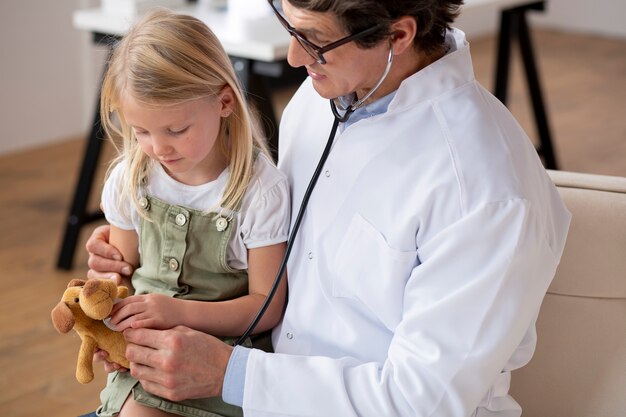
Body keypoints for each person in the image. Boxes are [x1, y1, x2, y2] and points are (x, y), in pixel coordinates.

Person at [86, 0, 572, 416]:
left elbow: (422, 401)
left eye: (314, 39)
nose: (295, 57)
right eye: (289, 26)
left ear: (398, 35)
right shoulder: (325, 95)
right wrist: (136, 251)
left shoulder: (486, 192)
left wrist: (226, 373)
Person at [89, 8, 290, 417]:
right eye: (141, 131)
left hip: (225, 355)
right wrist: (106, 310)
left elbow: (267, 306)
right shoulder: (132, 179)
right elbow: (122, 275)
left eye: (176, 130)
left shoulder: (259, 191)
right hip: (147, 353)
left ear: (224, 101)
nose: (158, 148)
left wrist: (177, 312)